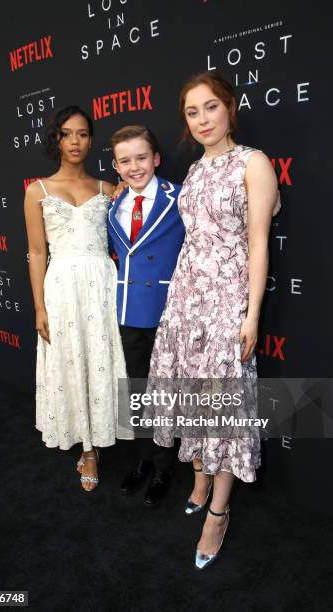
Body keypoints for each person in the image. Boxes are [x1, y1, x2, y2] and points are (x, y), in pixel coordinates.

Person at [147, 72, 278, 568]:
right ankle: (200, 476)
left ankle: (218, 513)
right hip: (186, 299)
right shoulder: (197, 170)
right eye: (191, 112)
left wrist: (252, 313)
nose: (202, 120)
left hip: (227, 301)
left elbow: (258, 243)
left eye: (210, 108)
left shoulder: (254, 162)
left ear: (230, 107)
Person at [24, 106, 133, 492]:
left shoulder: (107, 189)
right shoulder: (36, 191)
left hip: (101, 286)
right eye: (67, 134)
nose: (76, 141)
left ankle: (102, 432)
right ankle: (87, 449)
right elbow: (37, 253)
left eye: (83, 134)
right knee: (70, 361)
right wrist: (39, 306)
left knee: (99, 361)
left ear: (91, 139)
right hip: (62, 289)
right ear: (56, 138)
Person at [107, 125, 185, 506]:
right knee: (136, 392)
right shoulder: (112, 206)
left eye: (141, 157)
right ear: (116, 166)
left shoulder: (180, 198)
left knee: (166, 395)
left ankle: (164, 465)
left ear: (156, 158)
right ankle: (141, 461)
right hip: (129, 312)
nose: (134, 166)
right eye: (125, 160)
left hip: (169, 312)